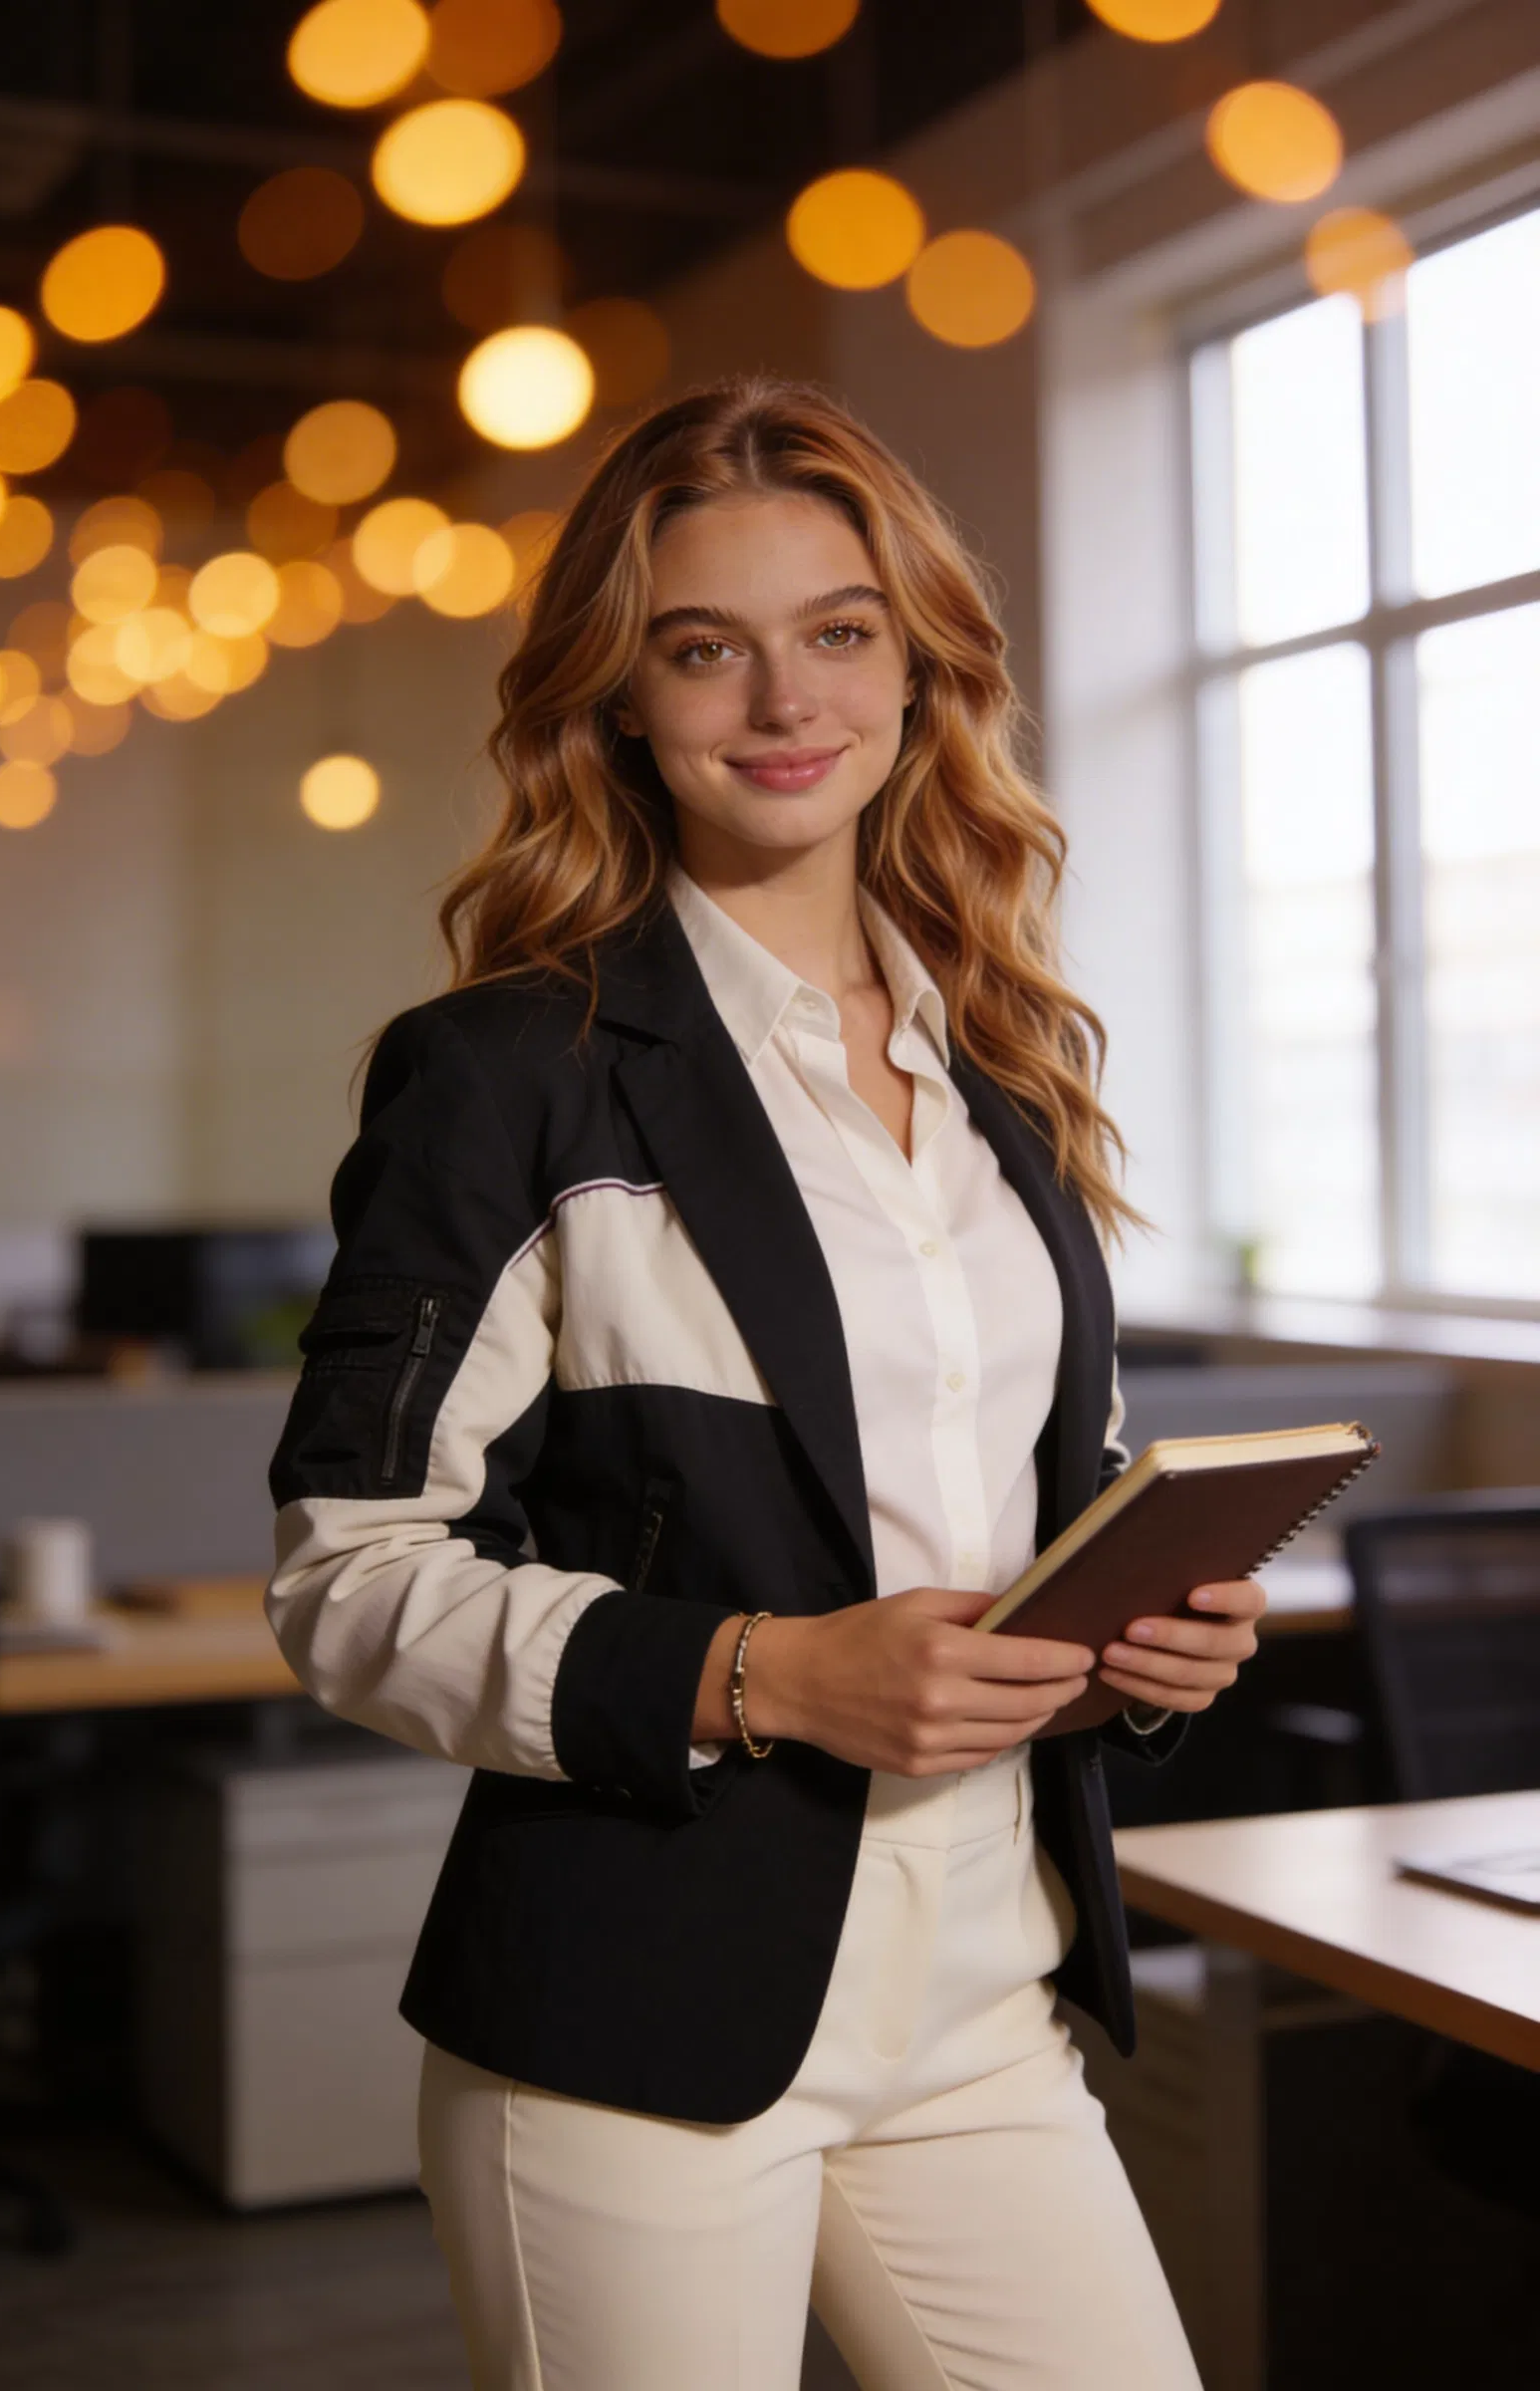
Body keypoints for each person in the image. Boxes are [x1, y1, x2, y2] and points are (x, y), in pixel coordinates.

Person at [265, 376, 1265, 2391]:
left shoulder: (1000, 1071)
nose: (778, 700)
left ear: (916, 667)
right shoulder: (510, 1075)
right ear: (618, 700)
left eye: (838, 632)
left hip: (981, 1980)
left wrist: (1133, 1633)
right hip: (639, 2015)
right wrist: (764, 1674)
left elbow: (1009, 1499)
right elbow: (347, 1580)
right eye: (698, 649)